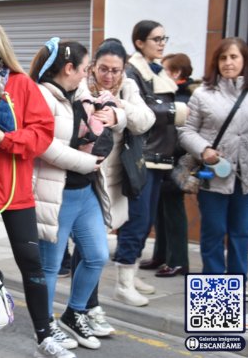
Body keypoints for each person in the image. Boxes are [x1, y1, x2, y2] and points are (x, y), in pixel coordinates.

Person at [0, 22, 76, 358]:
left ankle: (44, 334)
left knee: (30, 263)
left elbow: (42, 134)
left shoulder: (22, 86)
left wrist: (3, 139)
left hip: (16, 191)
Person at [30, 38, 109, 350]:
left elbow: (112, 112)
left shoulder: (80, 92)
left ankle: (74, 314)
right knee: (49, 267)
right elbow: (45, 147)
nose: (87, 73)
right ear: (68, 68)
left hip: (85, 191)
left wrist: (115, 115)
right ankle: (46, 324)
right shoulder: (41, 96)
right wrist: (88, 162)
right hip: (56, 194)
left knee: (97, 256)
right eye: (85, 67)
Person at [72, 39, 155, 331]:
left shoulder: (128, 85)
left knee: (93, 248)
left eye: (115, 70)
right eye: (103, 69)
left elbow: (146, 120)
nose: (109, 76)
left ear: (123, 69)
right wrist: (110, 111)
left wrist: (119, 108)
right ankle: (85, 308)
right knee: (90, 247)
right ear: (93, 66)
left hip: (115, 180)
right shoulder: (82, 84)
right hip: (87, 176)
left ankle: (84, 307)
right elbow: (86, 121)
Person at [112, 20, 188, 306]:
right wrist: (174, 109)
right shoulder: (132, 72)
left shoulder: (154, 70)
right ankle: (123, 282)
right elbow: (139, 109)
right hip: (142, 157)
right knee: (137, 221)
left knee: (145, 223)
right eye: (156, 38)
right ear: (139, 42)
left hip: (159, 158)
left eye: (163, 38)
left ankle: (130, 274)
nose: (162, 43)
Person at [178, 37, 248, 298]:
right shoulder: (203, 93)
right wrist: (204, 150)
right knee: (213, 234)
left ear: (244, 60)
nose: (228, 63)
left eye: (234, 57)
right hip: (214, 175)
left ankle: (237, 288)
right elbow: (186, 131)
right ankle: (215, 298)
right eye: (223, 58)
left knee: (240, 235)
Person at [141, 53, 195, 277]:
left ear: (176, 73)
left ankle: (178, 261)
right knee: (162, 212)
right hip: (163, 159)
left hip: (176, 161)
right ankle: (162, 256)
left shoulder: (184, 98)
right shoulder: (171, 95)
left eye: (164, 71)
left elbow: (181, 133)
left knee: (173, 212)